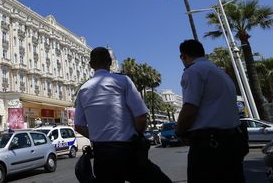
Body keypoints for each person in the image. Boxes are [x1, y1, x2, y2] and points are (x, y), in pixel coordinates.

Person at [74, 47, 172, 183]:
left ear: (91, 65)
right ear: (109, 62)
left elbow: (78, 126)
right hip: (127, 151)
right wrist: (137, 134)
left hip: (102, 156)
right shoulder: (123, 81)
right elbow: (141, 117)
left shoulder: (83, 90)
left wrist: (98, 135)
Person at [176, 39, 247, 183]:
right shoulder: (219, 73)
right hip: (232, 142)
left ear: (183, 56)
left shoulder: (193, 71)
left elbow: (190, 109)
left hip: (209, 148)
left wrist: (179, 131)